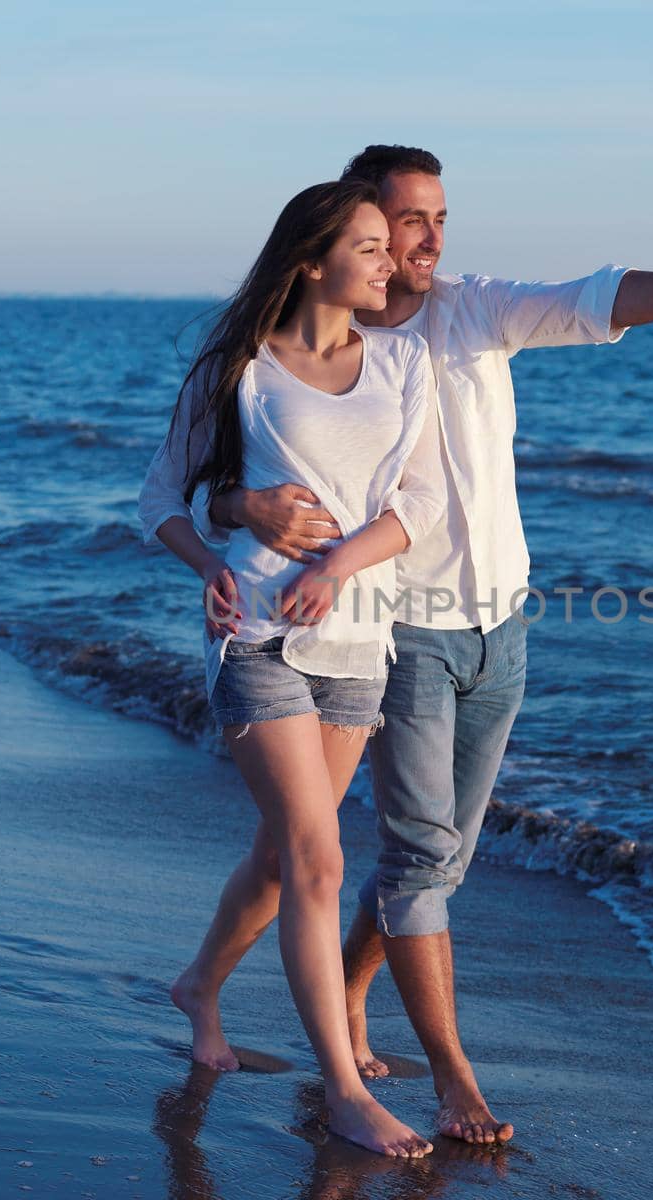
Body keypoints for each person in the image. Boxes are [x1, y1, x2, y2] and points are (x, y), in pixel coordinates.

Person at [191, 146, 653, 1145]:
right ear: (360, 229)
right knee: (391, 853)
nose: (432, 236)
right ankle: (449, 1079)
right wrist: (237, 508)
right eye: (408, 219)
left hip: (502, 625)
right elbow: (221, 462)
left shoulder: (471, 311)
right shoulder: (319, 341)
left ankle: (311, 995)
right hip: (386, 629)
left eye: (441, 215)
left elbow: (598, 297)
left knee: (425, 860)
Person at [136, 177, 447, 1158]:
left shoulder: (403, 364)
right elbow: (159, 497)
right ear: (309, 261)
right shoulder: (237, 368)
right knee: (318, 858)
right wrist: (220, 542)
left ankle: (199, 987)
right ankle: (347, 1090)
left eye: (386, 247)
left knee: (281, 861)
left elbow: (423, 506)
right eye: (367, 245)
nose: (389, 261)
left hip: (358, 642)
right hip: (257, 636)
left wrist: (340, 563)